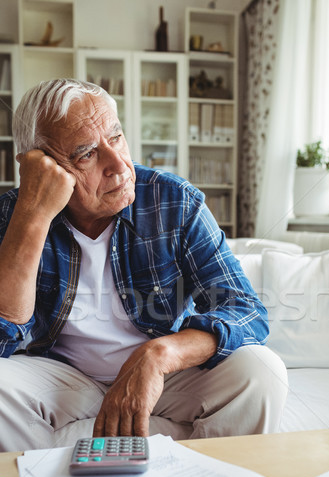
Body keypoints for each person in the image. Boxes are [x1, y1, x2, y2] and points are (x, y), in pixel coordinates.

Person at [0, 79, 288, 452]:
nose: (119, 165)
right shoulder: (12, 215)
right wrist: (34, 216)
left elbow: (245, 310)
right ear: (42, 168)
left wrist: (159, 355)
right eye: (87, 154)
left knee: (261, 373)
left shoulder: (173, 200)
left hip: (165, 381)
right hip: (62, 380)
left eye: (116, 137)